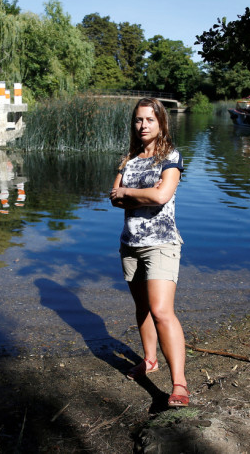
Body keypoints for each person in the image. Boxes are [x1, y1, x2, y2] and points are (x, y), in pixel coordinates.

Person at [109, 97, 189, 408]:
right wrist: (141, 195)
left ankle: (179, 383)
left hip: (161, 243)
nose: (143, 126)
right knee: (142, 308)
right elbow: (113, 198)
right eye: (139, 120)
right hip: (130, 244)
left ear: (161, 123)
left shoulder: (171, 156)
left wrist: (130, 192)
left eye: (149, 120)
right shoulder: (128, 157)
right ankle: (150, 360)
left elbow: (162, 195)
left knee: (161, 311)